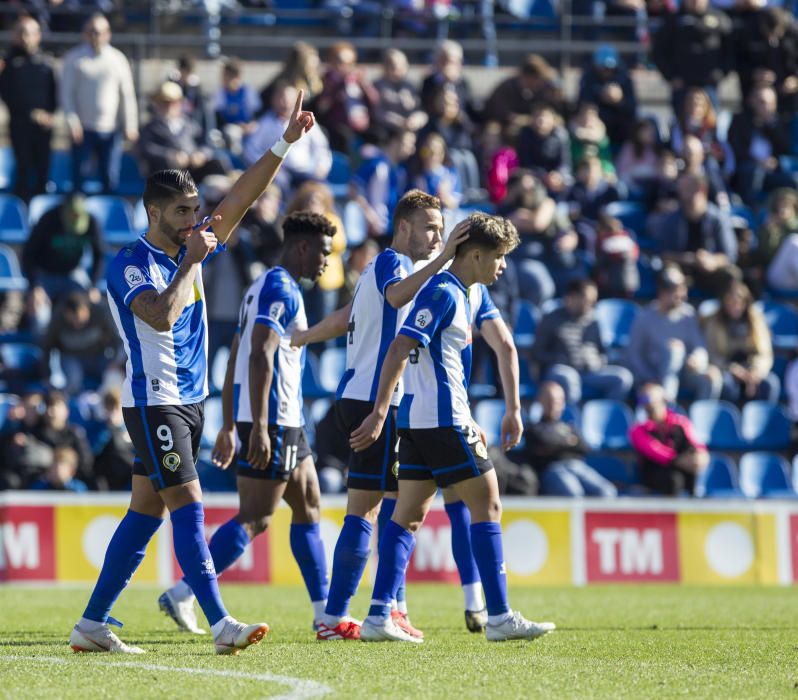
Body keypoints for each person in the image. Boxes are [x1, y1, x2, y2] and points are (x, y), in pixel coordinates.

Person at [68, 89, 315, 655]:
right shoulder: (130, 262)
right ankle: (220, 621)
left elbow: (244, 196)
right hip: (155, 399)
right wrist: (190, 261)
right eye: (182, 212)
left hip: (189, 399)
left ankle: (91, 623)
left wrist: (283, 142)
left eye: (196, 210)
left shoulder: (194, 242)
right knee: (190, 503)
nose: (194, 219)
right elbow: (156, 315)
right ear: (153, 213)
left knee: (144, 513)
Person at [351, 212, 555, 643]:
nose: (502, 266)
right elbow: (400, 347)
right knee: (488, 503)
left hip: (420, 423)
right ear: (475, 255)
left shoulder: (465, 293)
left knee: (407, 518)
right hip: (444, 420)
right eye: (498, 257)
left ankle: (376, 616)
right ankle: (497, 615)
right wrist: (379, 411)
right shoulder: (443, 292)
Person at [290, 191, 470, 641]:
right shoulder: (393, 264)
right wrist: (446, 258)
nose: (437, 236)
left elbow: (349, 317)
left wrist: (303, 337)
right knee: (368, 511)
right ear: (404, 226)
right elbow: (395, 299)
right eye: (429, 227)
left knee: (396, 508)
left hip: (373, 397)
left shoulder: (379, 269)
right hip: (377, 400)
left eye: (441, 229)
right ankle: (334, 618)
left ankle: (387, 609)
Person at [158, 211, 334, 633]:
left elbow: (236, 353)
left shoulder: (263, 286)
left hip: (283, 419)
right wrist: (254, 426)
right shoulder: (279, 289)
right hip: (272, 419)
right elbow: (258, 355)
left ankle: (325, 612)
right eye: (323, 253)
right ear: (302, 248)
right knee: (256, 516)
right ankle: (184, 593)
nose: (327, 263)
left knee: (309, 504)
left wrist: (229, 422)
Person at [61, 13, 138, 194]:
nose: (95, 36)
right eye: (92, 31)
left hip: (110, 131)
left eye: (99, 32)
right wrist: (73, 122)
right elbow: (67, 94)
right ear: (85, 33)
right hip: (83, 131)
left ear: (108, 34)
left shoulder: (118, 59)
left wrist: (130, 125)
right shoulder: (74, 59)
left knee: (110, 179)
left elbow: (126, 94)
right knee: (79, 181)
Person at [625, 265, 721, 401]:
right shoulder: (644, 318)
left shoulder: (688, 315)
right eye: (676, 291)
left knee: (711, 379)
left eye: (683, 290)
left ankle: (698, 419)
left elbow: (699, 347)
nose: (682, 296)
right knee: (674, 351)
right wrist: (649, 379)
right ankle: (669, 412)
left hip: (685, 373)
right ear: (662, 293)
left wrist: (697, 360)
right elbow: (634, 356)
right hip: (654, 376)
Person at [532, 279, 634, 404]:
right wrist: (559, 359)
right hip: (563, 371)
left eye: (593, 301)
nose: (591, 305)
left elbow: (602, 352)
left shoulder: (593, 320)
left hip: (591, 372)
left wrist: (599, 361)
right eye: (587, 300)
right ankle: (572, 419)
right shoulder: (551, 319)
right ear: (572, 297)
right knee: (570, 377)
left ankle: (601, 417)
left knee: (622, 378)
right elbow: (538, 352)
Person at [524, 382, 617, 497]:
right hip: (552, 469)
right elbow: (544, 443)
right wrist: (568, 441)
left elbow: (584, 447)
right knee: (575, 494)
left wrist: (557, 442)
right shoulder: (534, 428)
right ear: (541, 401)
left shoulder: (569, 427)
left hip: (577, 466)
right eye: (550, 400)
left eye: (558, 401)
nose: (554, 405)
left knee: (607, 491)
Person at [0, 16, 56, 202]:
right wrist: (31, 114)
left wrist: (50, 115)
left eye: (30, 33)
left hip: (44, 127)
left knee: (43, 170)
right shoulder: (8, 63)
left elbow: (54, 93)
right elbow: (7, 94)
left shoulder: (46, 62)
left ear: (38, 35)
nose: (25, 38)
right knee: (23, 170)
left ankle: (41, 212)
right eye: (21, 33)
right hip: (20, 125)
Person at [137, 81, 228, 184]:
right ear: (157, 104)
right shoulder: (150, 128)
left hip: (193, 171)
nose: (169, 107)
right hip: (166, 175)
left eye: (173, 103)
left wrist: (201, 154)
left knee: (219, 164)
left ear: (179, 104)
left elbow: (206, 144)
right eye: (164, 103)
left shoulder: (191, 125)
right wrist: (170, 157)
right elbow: (146, 149)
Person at [703, 281, 779, 402]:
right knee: (727, 385)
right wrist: (731, 368)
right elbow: (712, 354)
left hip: (751, 368)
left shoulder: (755, 321)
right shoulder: (715, 322)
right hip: (726, 368)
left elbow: (764, 353)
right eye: (731, 302)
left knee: (769, 384)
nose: (735, 306)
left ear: (745, 303)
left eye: (738, 302)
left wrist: (755, 371)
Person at [21, 193, 104, 304]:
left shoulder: (91, 221)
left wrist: (94, 286)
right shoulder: (48, 220)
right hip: (45, 274)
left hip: (73, 272)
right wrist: (35, 286)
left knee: (92, 304)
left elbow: (100, 254)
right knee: (39, 312)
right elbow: (28, 254)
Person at [630, 382, 709, 495]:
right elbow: (655, 451)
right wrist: (678, 460)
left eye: (649, 397)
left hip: (685, 467)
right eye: (644, 399)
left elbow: (695, 443)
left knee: (693, 476)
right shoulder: (638, 429)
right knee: (674, 479)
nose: (647, 403)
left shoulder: (681, 422)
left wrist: (701, 455)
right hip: (656, 472)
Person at [41, 290, 121, 396]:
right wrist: (46, 374)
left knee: (113, 377)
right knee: (73, 382)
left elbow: (118, 340)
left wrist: (115, 361)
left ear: (86, 309)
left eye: (78, 318)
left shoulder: (101, 312)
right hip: (71, 358)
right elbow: (47, 346)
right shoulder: (58, 318)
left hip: (98, 356)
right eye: (72, 319)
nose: (76, 323)